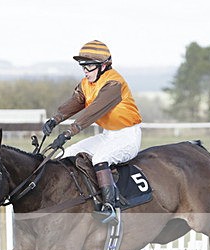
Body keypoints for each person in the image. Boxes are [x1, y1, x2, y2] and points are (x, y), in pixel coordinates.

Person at [42, 40, 143, 220]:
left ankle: (110, 207)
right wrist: (54, 120)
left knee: (100, 159)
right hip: (108, 135)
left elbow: (92, 112)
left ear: (103, 66)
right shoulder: (86, 83)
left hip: (127, 136)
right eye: (83, 67)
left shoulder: (114, 84)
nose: (85, 71)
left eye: (89, 66)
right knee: (68, 155)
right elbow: (75, 102)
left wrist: (67, 133)